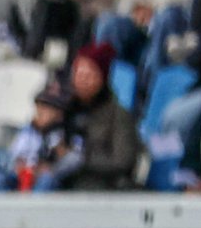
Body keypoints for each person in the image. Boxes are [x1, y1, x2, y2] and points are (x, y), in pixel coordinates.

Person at [42, 41, 140, 188]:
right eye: (78, 74)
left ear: (102, 78)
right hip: (61, 180)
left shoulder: (118, 115)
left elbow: (124, 161)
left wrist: (83, 160)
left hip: (97, 185)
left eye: (89, 75)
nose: (82, 80)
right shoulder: (65, 111)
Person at [0, 84, 69, 190]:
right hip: (20, 174)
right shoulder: (26, 131)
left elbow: (73, 160)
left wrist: (52, 168)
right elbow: (8, 154)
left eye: (47, 108)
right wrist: (17, 165)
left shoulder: (65, 134)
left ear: (59, 113)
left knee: (47, 180)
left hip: (45, 177)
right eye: (39, 106)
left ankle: (36, 206)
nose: (40, 111)